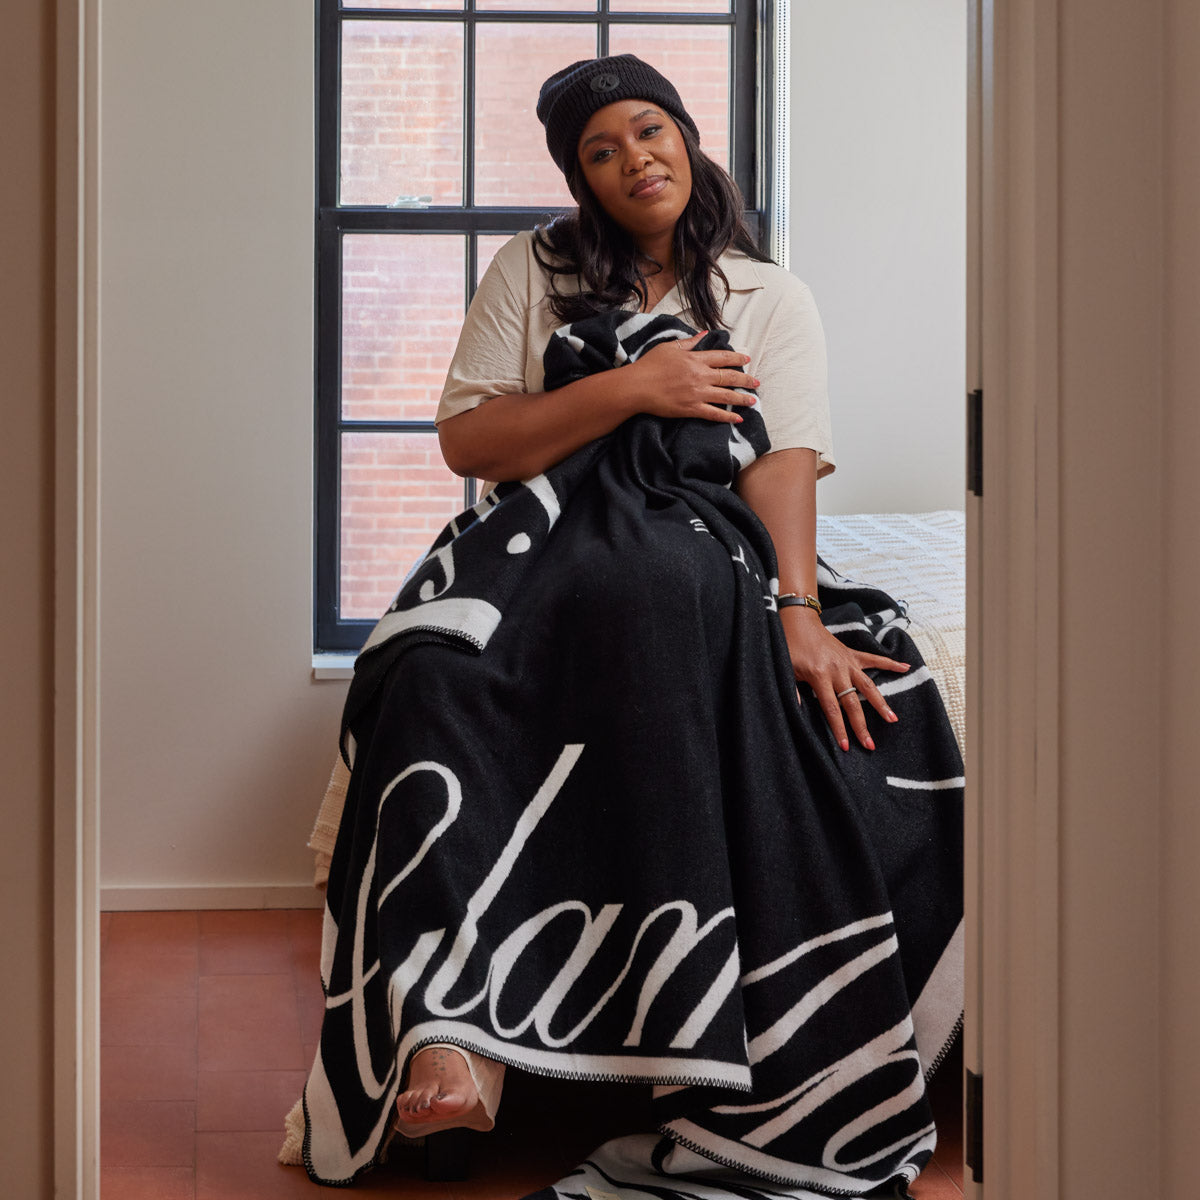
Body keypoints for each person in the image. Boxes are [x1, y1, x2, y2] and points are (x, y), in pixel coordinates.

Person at [300, 54, 963, 1196]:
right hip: (531, 544)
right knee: (428, 679)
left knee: (672, 600)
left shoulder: (766, 295)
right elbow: (474, 446)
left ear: (688, 137)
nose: (632, 160)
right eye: (599, 153)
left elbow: (783, 465)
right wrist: (632, 389)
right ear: (580, 179)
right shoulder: (533, 270)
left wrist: (798, 613)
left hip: (701, 540)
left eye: (648, 131)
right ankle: (455, 1031)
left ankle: (691, 1038)